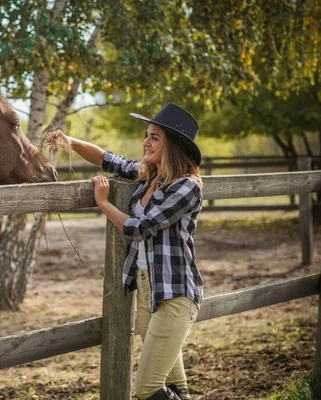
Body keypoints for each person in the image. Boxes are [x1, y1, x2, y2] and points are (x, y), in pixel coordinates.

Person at [45, 103, 204, 400]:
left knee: (147, 389)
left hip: (176, 292)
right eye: (146, 135)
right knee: (175, 385)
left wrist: (104, 204)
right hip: (147, 289)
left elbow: (141, 227)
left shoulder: (187, 186)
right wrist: (72, 142)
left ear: (173, 145)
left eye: (155, 137)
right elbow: (108, 160)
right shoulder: (146, 175)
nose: (146, 141)